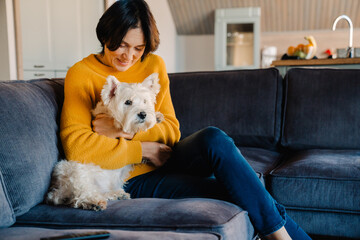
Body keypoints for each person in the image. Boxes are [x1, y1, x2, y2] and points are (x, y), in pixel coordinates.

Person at [60, 1, 312, 239]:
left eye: (139, 48)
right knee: (237, 190)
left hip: (168, 154)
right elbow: (78, 148)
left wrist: (121, 131)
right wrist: (141, 150)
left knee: (213, 137)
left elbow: (171, 130)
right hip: (132, 178)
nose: (129, 56)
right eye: (122, 45)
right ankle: (281, 235)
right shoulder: (81, 75)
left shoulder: (153, 65)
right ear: (106, 36)